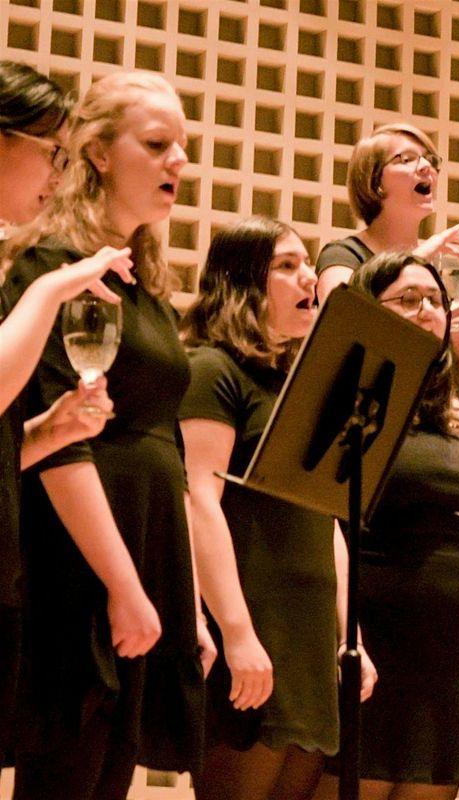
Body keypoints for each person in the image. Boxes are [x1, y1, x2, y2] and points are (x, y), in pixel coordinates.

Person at [3, 70, 213, 799]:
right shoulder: (54, 268)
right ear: (95, 154)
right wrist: (124, 586)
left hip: (143, 554)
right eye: (157, 144)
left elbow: (169, 449)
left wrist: (178, 596)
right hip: (78, 561)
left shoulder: (142, 282)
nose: (178, 162)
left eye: (183, 147)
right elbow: (66, 442)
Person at [315, 250, 459, 800]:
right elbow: (325, 523)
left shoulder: (456, 413)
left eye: (434, 300)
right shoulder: (346, 401)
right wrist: (347, 634)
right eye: (407, 299)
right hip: (373, 635)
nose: (425, 311)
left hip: (449, 648)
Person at [179, 217, 376, 800]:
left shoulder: (299, 382)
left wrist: (351, 636)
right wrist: (238, 634)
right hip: (255, 625)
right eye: (286, 266)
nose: (308, 276)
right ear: (242, 283)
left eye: (307, 263)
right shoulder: (213, 370)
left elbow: (326, 523)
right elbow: (199, 501)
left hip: (311, 637)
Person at [0, 60, 134, 752]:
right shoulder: (28, 275)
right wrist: (53, 288)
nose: (60, 174)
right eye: (51, 152)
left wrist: (49, 433)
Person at [314, 121, 459, 415]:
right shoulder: (342, 256)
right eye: (406, 159)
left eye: (430, 160)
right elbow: (342, 326)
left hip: (436, 425)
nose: (426, 168)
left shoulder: (451, 269)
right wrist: (417, 260)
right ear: (374, 181)